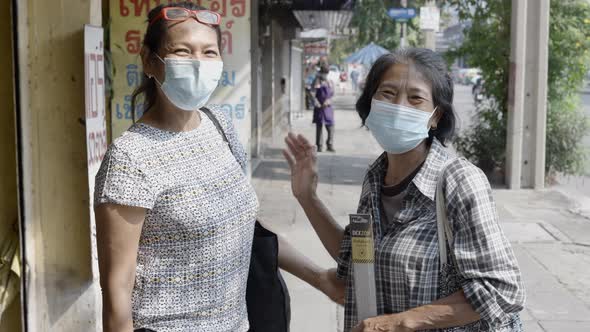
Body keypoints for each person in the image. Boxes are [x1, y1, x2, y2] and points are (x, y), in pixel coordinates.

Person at [94, 3, 342, 331]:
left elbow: (244, 228)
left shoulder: (219, 124)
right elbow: (117, 295)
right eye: (182, 51)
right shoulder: (129, 160)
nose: (198, 62)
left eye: (209, 52)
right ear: (149, 61)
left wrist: (320, 279)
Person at [283, 48, 525, 332]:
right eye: (387, 93)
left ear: (435, 116)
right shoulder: (376, 178)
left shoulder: (460, 181)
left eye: (415, 98)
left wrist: (398, 323)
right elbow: (359, 260)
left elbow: (502, 290)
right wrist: (308, 198)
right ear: (370, 102)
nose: (400, 106)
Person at [313, 76, 335, 152]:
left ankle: (329, 144)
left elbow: (332, 94)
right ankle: (319, 146)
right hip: (319, 108)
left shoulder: (329, 83)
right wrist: (317, 103)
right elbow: (312, 94)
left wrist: (329, 101)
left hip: (327, 109)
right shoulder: (316, 82)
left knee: (330, 127)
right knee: (319, 128)